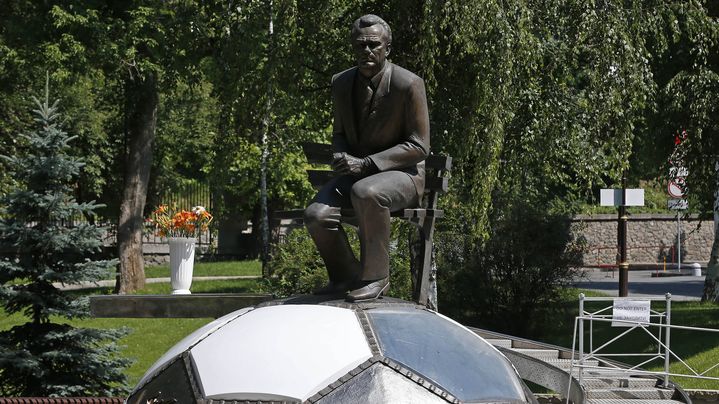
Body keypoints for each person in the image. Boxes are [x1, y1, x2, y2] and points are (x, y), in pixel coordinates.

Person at [304, 14, 430, 302]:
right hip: (355, 175)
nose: (367, 51)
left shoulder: (408, 84)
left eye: (374, 45)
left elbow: (419, 145)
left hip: (403, 175)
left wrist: (368, 164)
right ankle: (345, 276)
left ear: (388, 48)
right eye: (360, 45)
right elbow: (339, 133)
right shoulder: (341, 82)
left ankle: (376, 278)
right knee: (316, 215)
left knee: (366, 192)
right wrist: (340, 155)